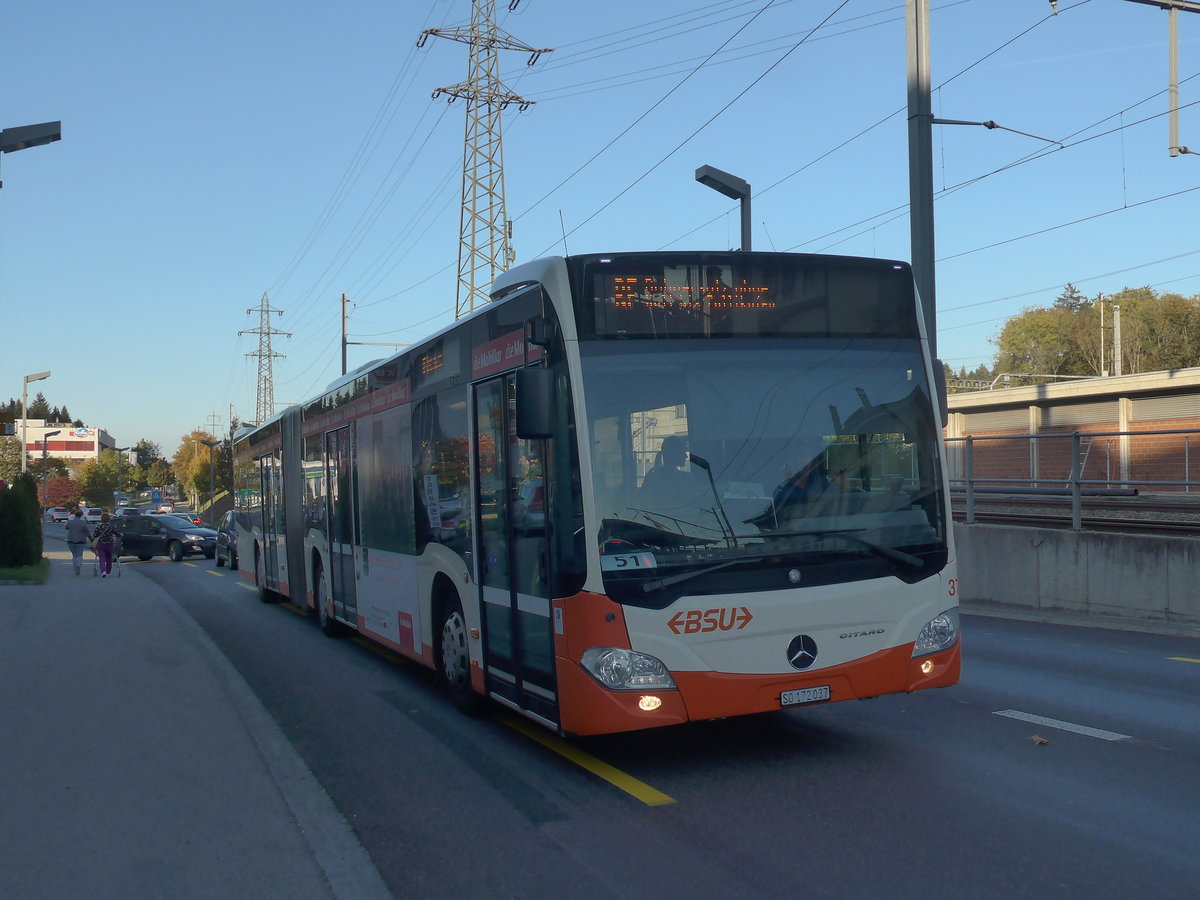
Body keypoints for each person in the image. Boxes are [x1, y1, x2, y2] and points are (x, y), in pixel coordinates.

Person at [640, 435, 698, 510]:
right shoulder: (654, 478)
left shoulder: (688, 477)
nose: (686, 456)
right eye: (682, 452)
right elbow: (647, 505)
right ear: (672, 454)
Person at [64, 509, 92, 576]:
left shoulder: (70, 522)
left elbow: (66, 527)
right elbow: (87, 532)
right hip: (80, 541)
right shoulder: (83, 523)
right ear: (81, 515)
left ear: (75, 515)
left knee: (74, 555)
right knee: (79, 554)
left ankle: (75, 568)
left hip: (71, 541)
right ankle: (79, 565)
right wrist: (91, 539)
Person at [91, 512, 119, 578]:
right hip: (109, 544)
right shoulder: (111, 527)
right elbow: (118, 533)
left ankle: (103, 571)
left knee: (102, 557)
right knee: (109, 558)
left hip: (101, 544)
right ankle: (108, 572)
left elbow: (95, 535)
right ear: (109, 519)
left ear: (101, 519)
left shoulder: (98, 526)